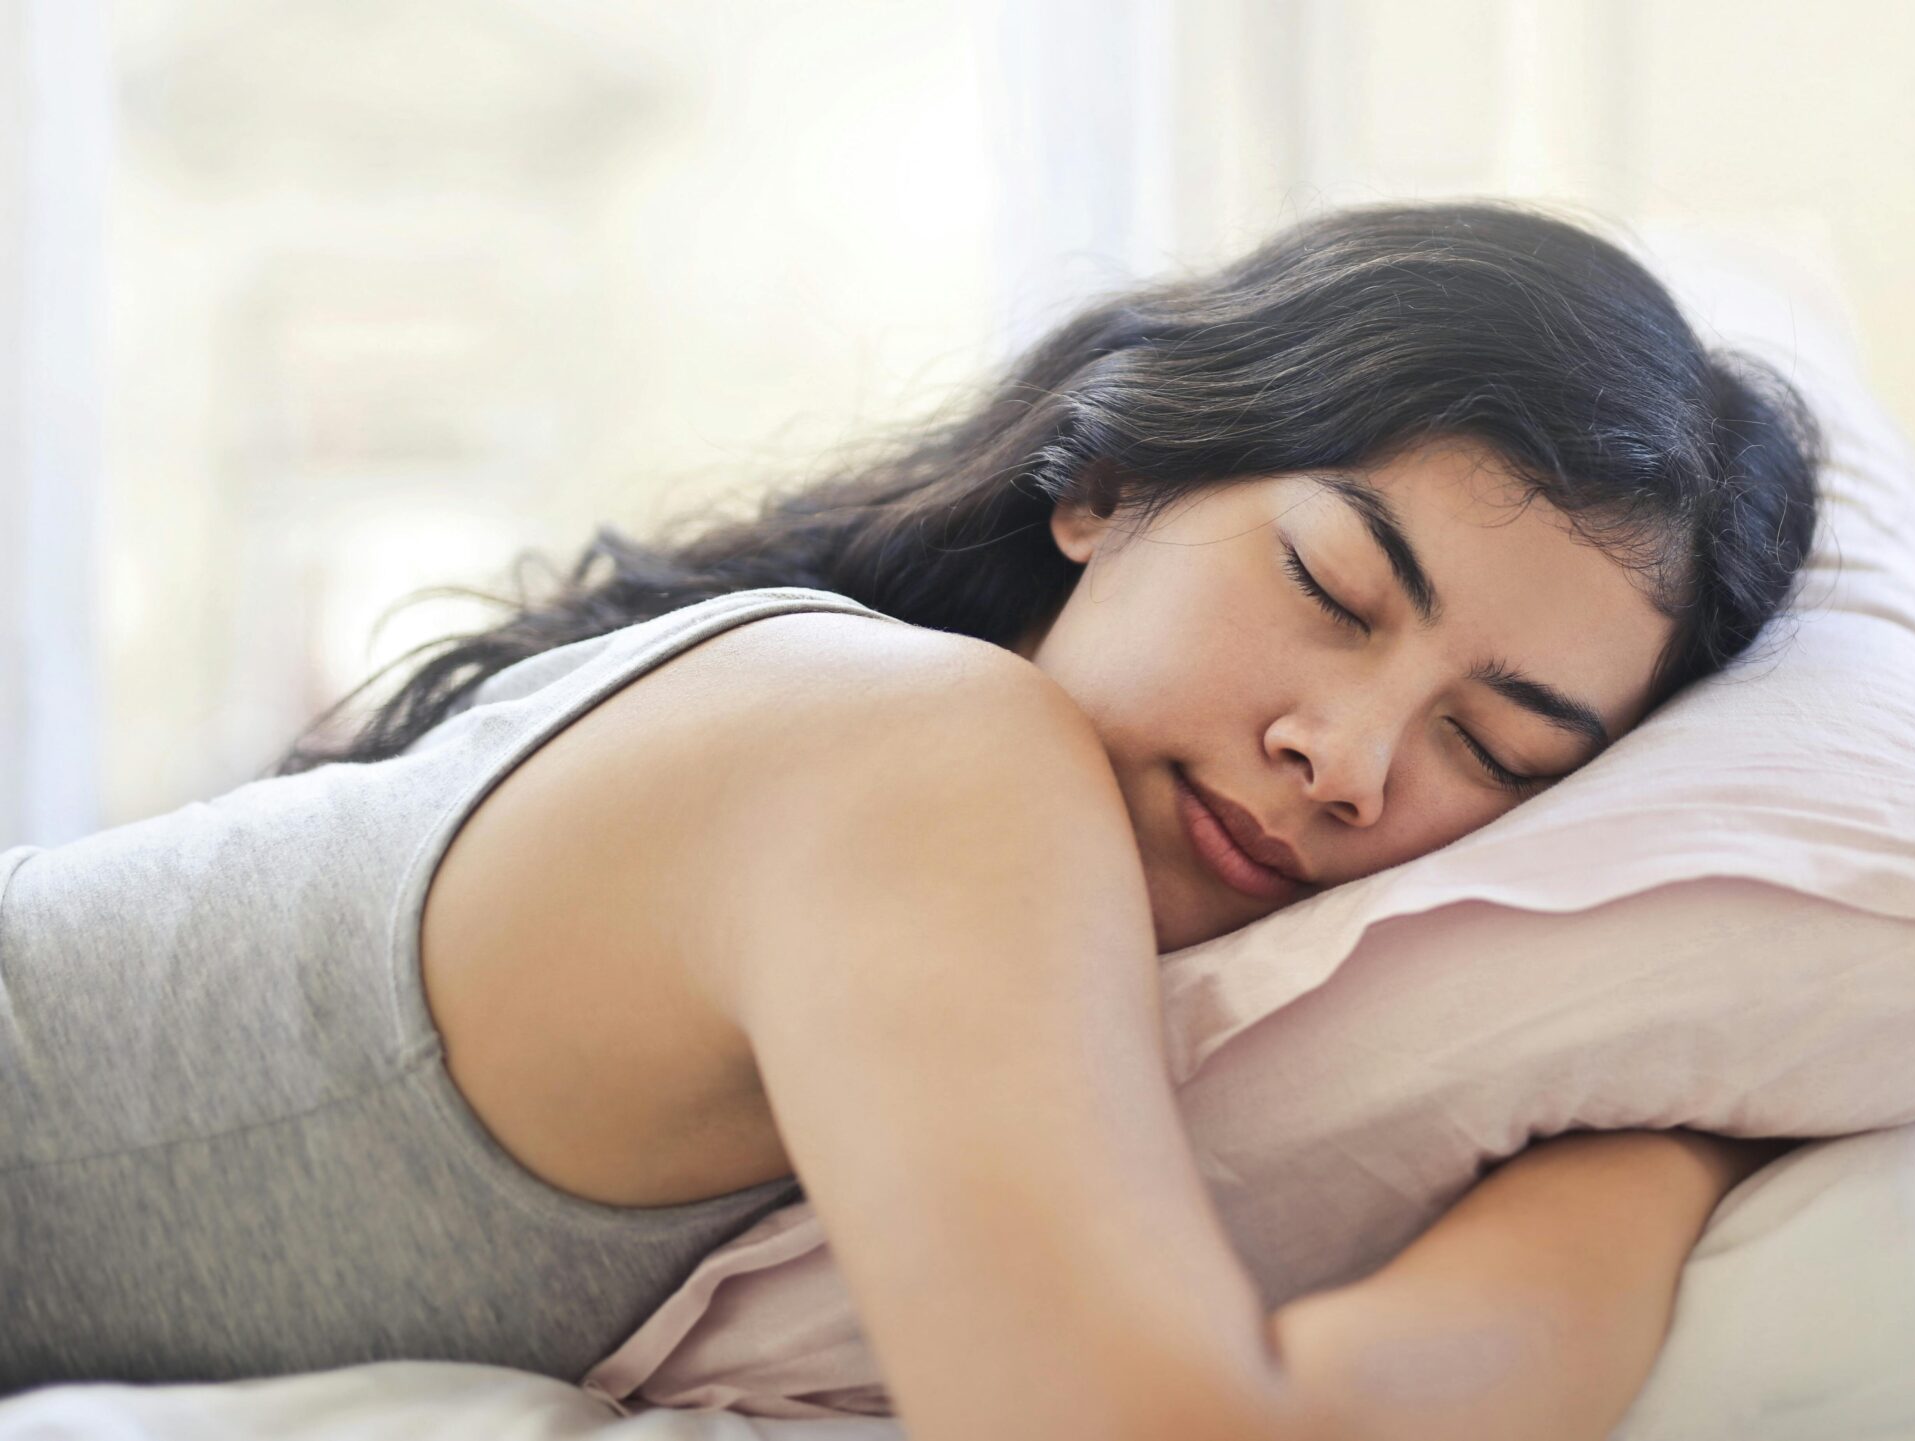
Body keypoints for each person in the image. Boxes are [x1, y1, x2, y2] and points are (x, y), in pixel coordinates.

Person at [0, 200, 1818, 1439]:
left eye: (1493, 748)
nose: (1350, 758)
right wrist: (1656, 1150)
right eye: (1336, 590)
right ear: (1108, 484)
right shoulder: (924, 751)